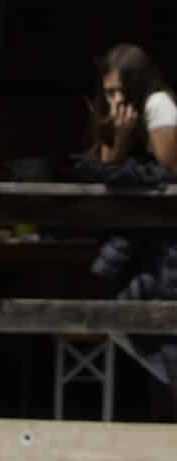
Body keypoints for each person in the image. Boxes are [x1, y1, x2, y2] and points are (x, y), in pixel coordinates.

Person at [83, 44, 177, 420]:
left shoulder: (158, 105)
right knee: (143, 328)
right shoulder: (124, 116)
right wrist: (118, 141)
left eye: (123, 90)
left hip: (167, 245)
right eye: (109, 92)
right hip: (147, 246)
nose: (117, 99)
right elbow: (107, 172)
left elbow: (170, 169)